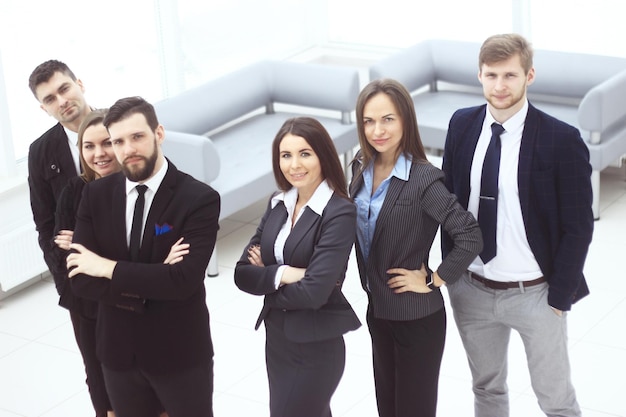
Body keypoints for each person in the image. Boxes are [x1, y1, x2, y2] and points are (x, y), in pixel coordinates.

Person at [441, 33, 594, 417]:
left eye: (510, 75)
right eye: (491, 75)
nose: (500, 86)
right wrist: (450, 275)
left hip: (536, 294)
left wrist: (559, 298)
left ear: (529, 75)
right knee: (487, 389)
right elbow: (447, 203)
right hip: (472, 289)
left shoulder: (562, 139)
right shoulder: (461, 125)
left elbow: (579, 227)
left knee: (556, 400)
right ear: (479, 75)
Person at [66, 96, 220, 417]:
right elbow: (80, 279)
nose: (127, 149)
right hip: (118, 354)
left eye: (137, 137)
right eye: (118, 141)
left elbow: (182, 281)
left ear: (158, 134)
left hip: (179, 353)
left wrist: (107, 267)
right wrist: (154, 276)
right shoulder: (94, 195)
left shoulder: (199, 199)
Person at [350, 78, 482, 417]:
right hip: (378, 310)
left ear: (406, 120)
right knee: (388, 408)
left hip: (416, 317)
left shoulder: (425, 179)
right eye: (368, 121)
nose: (377, 130)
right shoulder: (359, 168)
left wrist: (433, 279)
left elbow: (470, 235)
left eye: (387, 119)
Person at [234, 116, 361, 417]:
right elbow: (241, 273)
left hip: (316, 346)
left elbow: (315, 293)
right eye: (286, 155)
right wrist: (285, 274)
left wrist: (267, 281)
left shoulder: (339, 212)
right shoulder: (278, 203)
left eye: (305, 153)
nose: (294, 165)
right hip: (277, 340)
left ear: (323, 156)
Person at [27, 59, 103, 414]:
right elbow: (45, 226)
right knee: (97, 370)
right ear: (43, 108)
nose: (61, 101)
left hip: (132, 267)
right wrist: (65, 284)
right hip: (79, 282)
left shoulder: (122, 125)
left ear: (80, 84)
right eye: (50, 99)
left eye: (64, 89)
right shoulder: (41, 152)